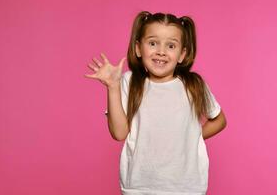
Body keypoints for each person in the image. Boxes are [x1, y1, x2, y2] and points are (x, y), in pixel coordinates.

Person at [84, 11, 227, 195]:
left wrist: (190, 137)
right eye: (153, 43)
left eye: (171, 46)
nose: (161, 51)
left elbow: (220, 120)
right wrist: (113, 86)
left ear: (182, 54)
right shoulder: (129, 81)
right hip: (138, 186)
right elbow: (119, 133)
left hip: (186, 187)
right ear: (138, 48)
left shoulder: (193, 85)